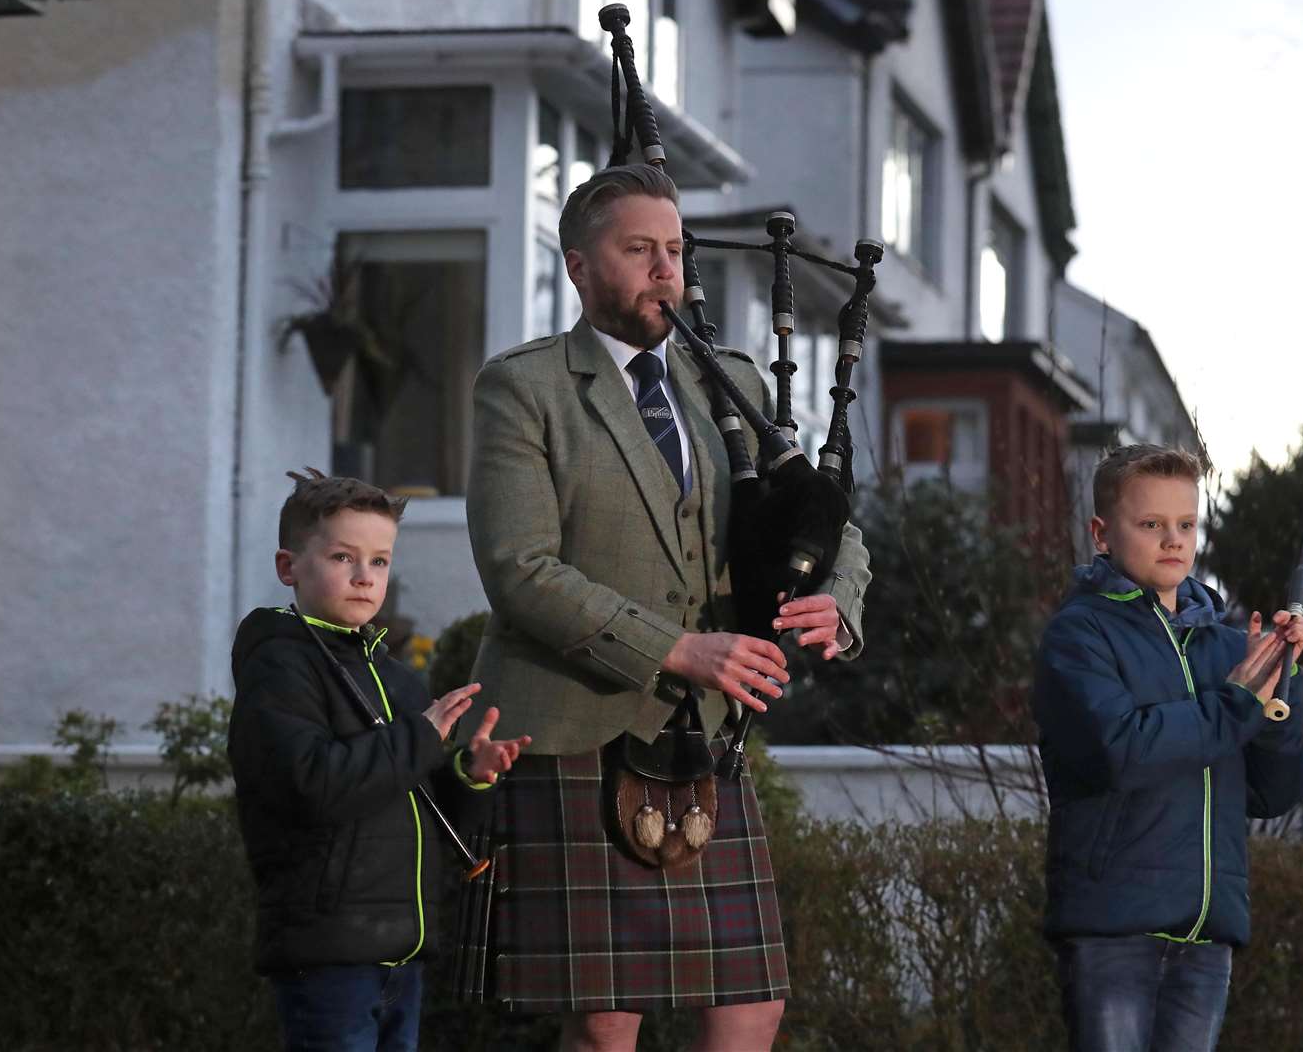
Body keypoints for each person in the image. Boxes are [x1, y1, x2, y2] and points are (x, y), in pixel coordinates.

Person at [453, 163, 871, 1051]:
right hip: (572, 729)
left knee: (752, 1004)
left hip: (700, 738)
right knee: (607, 1025)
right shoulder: (524, 389)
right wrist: (679, 649)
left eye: (674, 250)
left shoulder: (732, 386)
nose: (663, 269)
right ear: (577, 265)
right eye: (638, 249)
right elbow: (519, 569)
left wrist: (836, 600)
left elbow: (828, 522)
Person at [229, 469, 530, 1052]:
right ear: (288, 567)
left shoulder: (395, 676)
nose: (366, 577)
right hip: (328, 952)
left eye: (381, 561)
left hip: (402, 952)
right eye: (344, 557)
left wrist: (471, 774)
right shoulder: (279, 668)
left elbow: (428, 809)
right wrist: (421, 737)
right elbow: (315, 784)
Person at [1032, 444, 1303, 1052]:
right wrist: (1239, 700)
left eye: (1186, 524)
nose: (1173, 540)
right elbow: (1124, 751)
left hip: (1207, 935)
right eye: (1151, 524)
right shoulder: (1080, 634)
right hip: (1114, 929)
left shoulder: (1225, 647)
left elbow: (1273, 792)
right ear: (1102, 535)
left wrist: (1278, 687)